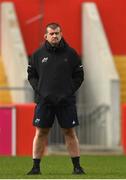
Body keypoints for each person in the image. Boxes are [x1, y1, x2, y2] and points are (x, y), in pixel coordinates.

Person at [27, 22, 85, 175]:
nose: (54, 36)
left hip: (65, 101)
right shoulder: (37, 55)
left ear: (61, 34)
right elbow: (31, 75)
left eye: (57, 33)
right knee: (41, 133)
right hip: (44, 101)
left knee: (70, 132)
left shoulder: (71, 54)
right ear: (45, 36)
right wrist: (39, 89)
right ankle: (35, 167)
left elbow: (79, 76)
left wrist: (68, 91)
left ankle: (77, 167)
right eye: (51, 34)